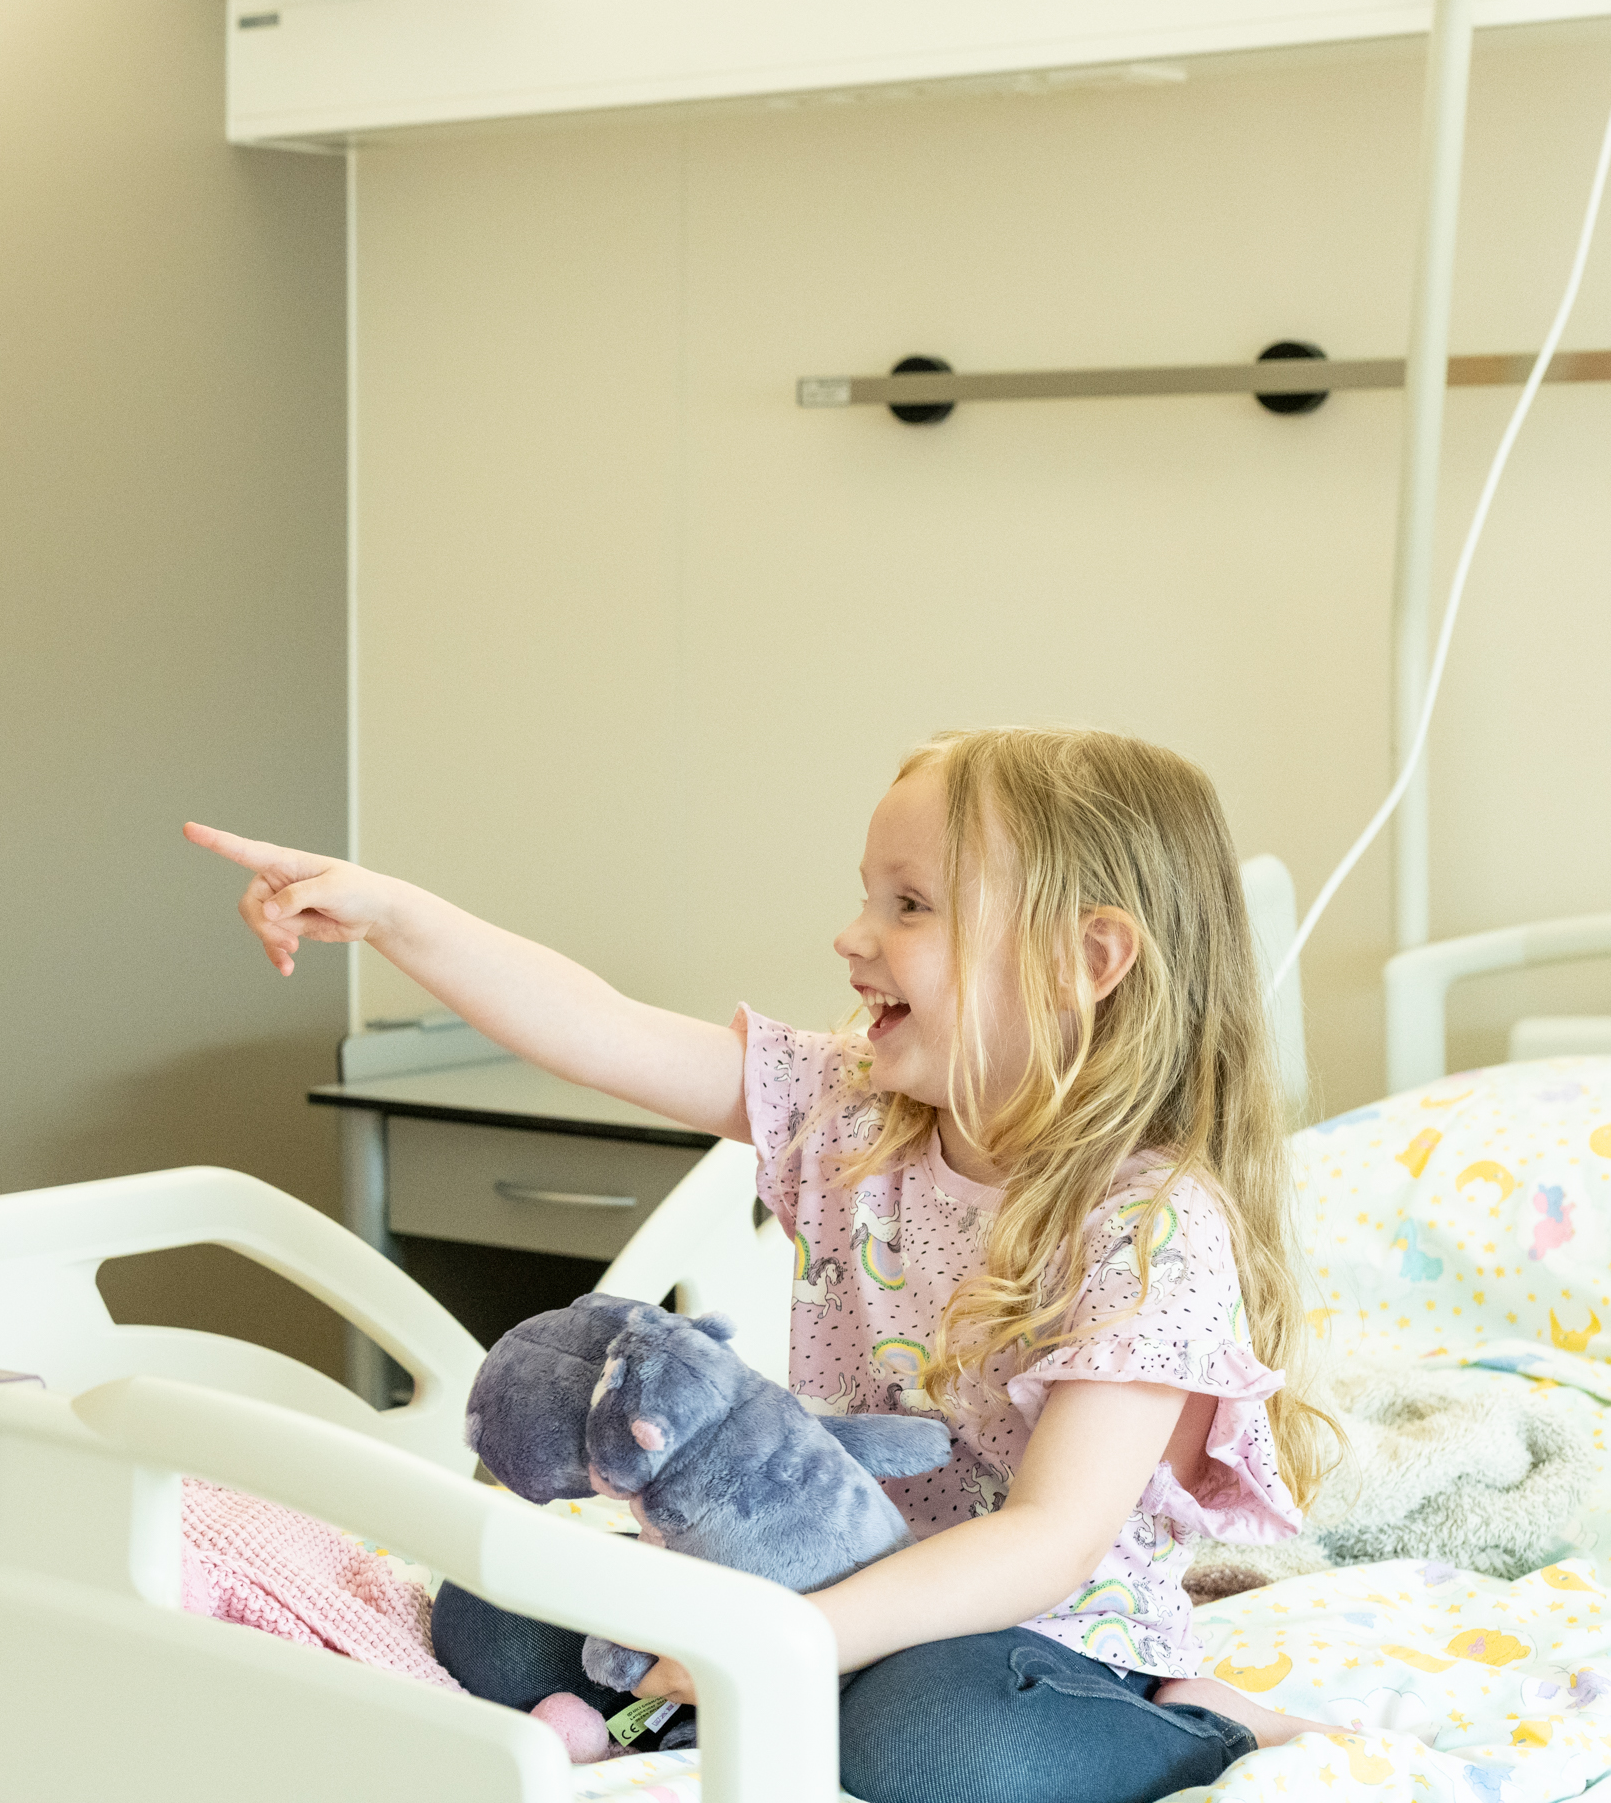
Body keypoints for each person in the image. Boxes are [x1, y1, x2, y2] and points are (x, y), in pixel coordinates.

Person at [188, 726, 1339, 1803]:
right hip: (797, 1561)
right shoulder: (853, 1111)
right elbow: (597, 1030)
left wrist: (776, 1647)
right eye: (867, 894)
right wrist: (391, 912)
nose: (852, 937)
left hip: (1026, 1629)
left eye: (910, 905)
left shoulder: (1147, 1226)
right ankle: (758, 1687)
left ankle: (1199, 1720)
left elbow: (1046, 1540)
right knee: (492, 1622)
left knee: (929, 1754)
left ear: (1087, 958)